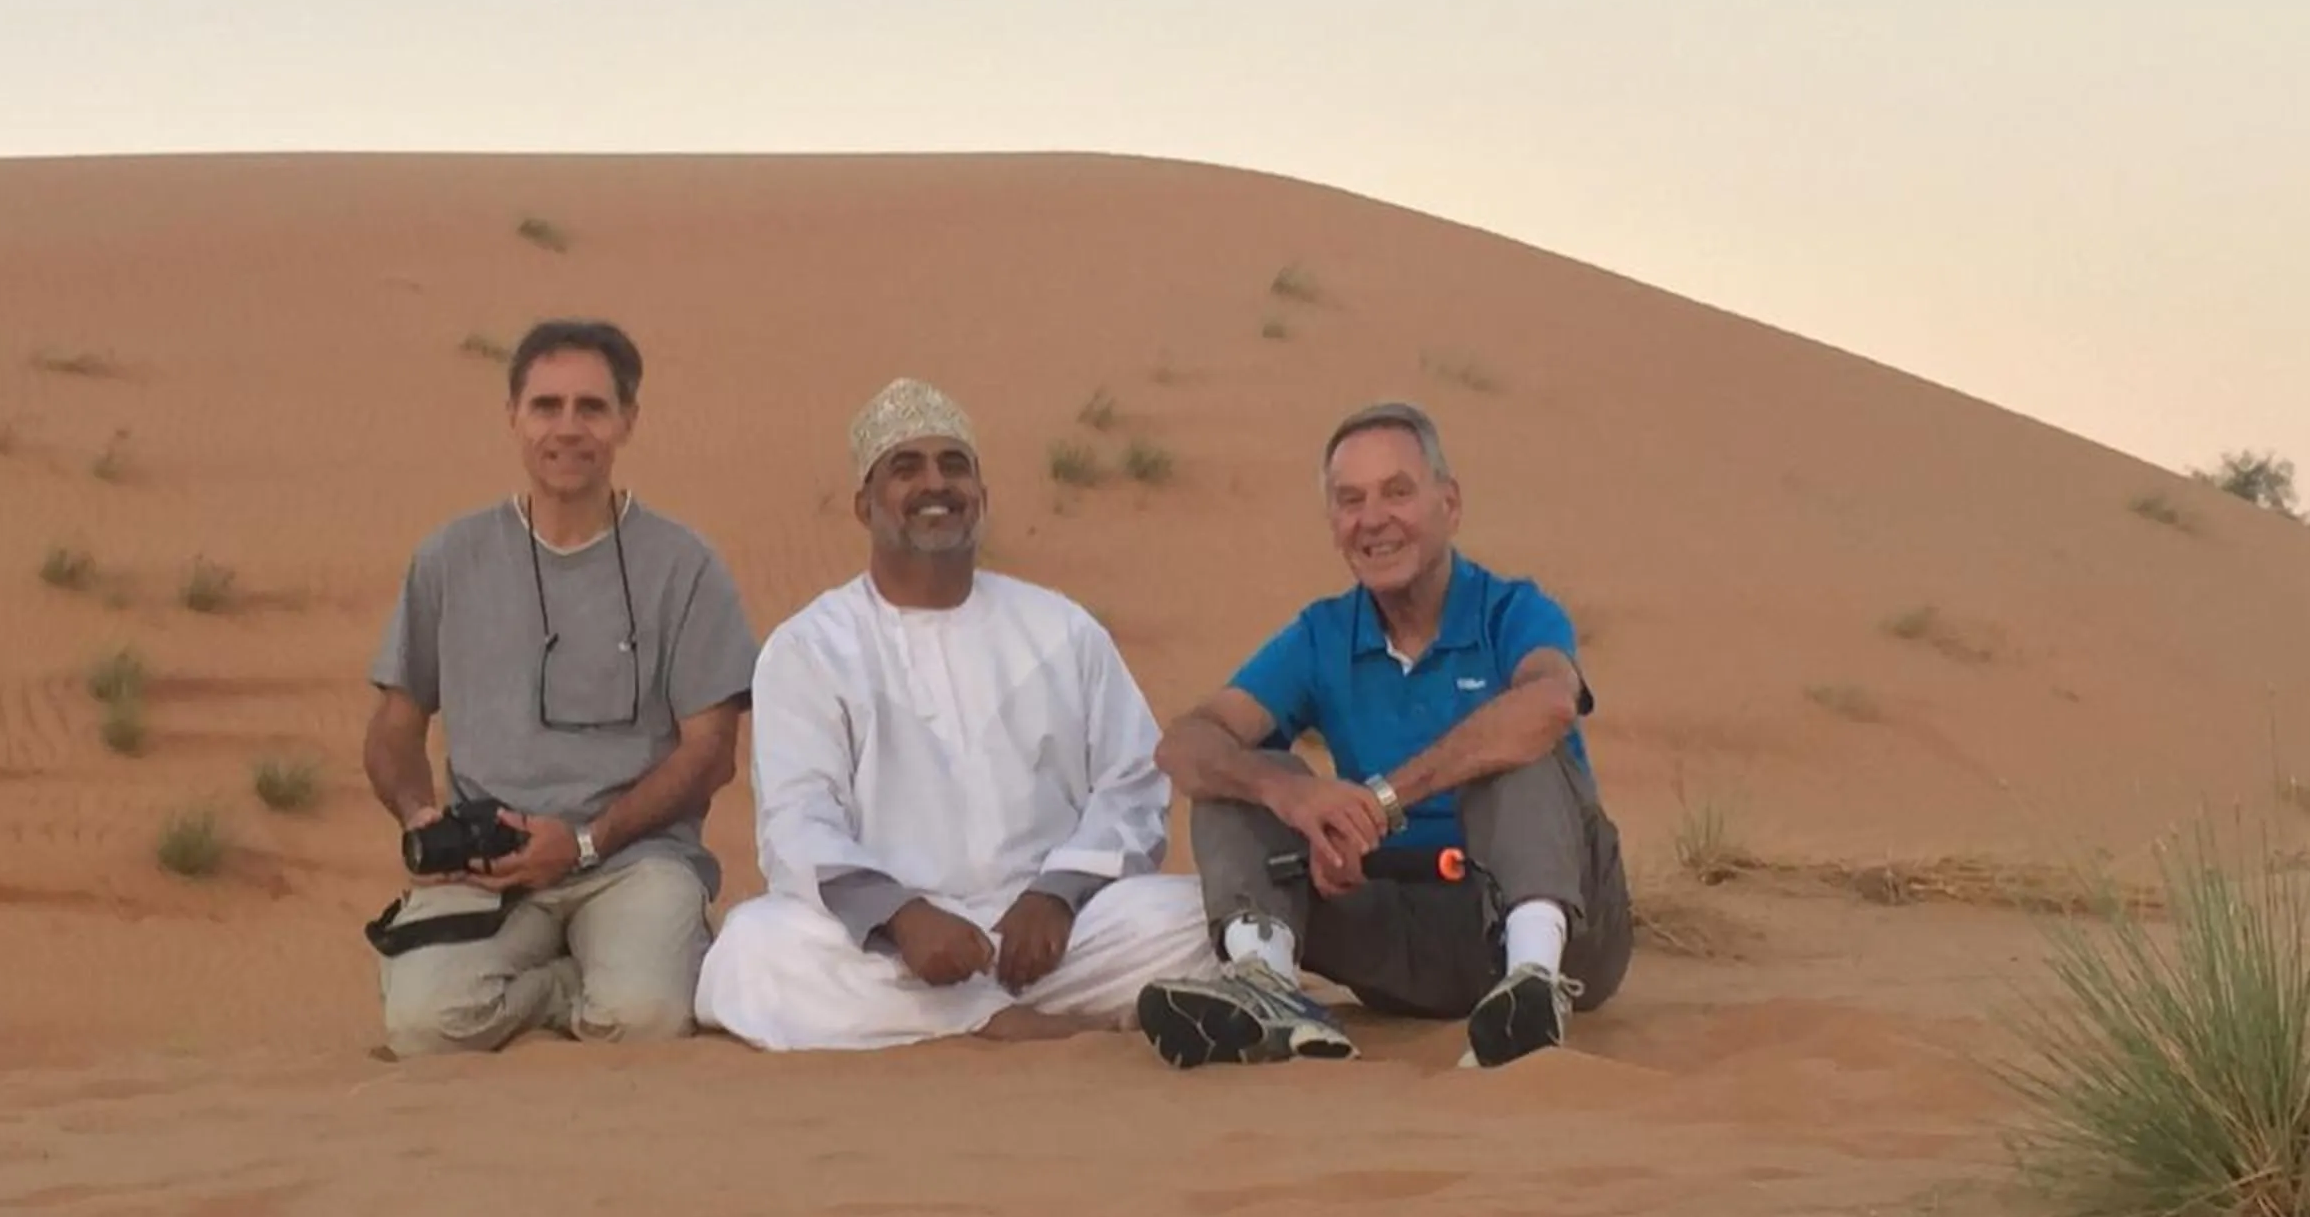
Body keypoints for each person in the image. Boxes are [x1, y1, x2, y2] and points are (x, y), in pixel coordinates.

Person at [694, 377, 1221, 1050]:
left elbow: (1133, 785)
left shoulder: (1060, 628)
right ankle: (999, 1021)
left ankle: (975, 1015)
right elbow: (799, 825)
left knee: (1205, 916)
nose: (934, 485)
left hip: (1053, 940)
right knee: (754, 952)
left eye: (955, 465)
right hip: (894, 948)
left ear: (982, 496)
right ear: (864, 504)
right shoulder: (810, 647)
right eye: (905, 468)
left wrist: (1055, 894)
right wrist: (905, 918)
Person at [1137, 399, 1630, 1069]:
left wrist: (1382, 801)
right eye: (1350, 500)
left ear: (1448, 505)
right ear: (1334, 523)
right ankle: (1265, 983)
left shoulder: (1514, 610)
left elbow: (1549, 703)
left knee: (1513, 745)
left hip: (1567, 923)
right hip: (1401, 930)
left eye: (1398, 492)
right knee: (1238, 773)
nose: (1373, 519)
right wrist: (1292, 799)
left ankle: (1535, 986)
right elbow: (1186, 745)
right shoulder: (1322, 635)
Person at [362, 318, 760, 1055]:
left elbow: (711, 751)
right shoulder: (451, 559)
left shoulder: (684, 565)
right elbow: (394, 722)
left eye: (592, 408)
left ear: (627, 421)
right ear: (512, 417)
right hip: (491, 866)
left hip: (634, 856)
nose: (568, 428)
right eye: (547, 406)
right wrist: (420, 816)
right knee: (423, 1029)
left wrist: (581, 843)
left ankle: (593, 972)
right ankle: (557, 988)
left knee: (644, 1021)